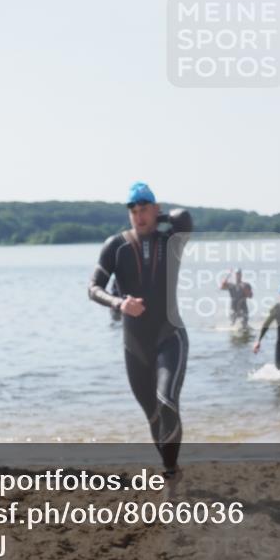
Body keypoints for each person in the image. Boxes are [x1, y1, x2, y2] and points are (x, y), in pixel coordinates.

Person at [88, 182, 193, 486]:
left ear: (156, 210)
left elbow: (184, 217)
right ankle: (172, 467)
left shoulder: (171, 240)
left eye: (144, 209)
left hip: (170, 336)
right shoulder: (116, 246)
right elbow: (93, 288)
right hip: (135, 344)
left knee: (166, 401)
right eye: (133, 211)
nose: (138, 216)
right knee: (153, 414)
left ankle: (169, 474)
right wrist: (119, 303)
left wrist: (158, 218)